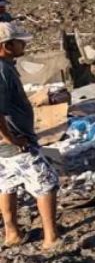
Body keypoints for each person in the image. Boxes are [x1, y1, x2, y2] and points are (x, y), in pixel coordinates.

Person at [0, 23, 59, 249]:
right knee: (46, 183)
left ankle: (12, 233)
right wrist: (12, 139)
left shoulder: (6, 66)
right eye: (19, 41)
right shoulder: (2, 71)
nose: (23, 44)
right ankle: (51, 238)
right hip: (16, 143)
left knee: (7, 184)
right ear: (6, 46)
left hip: (5, 146)